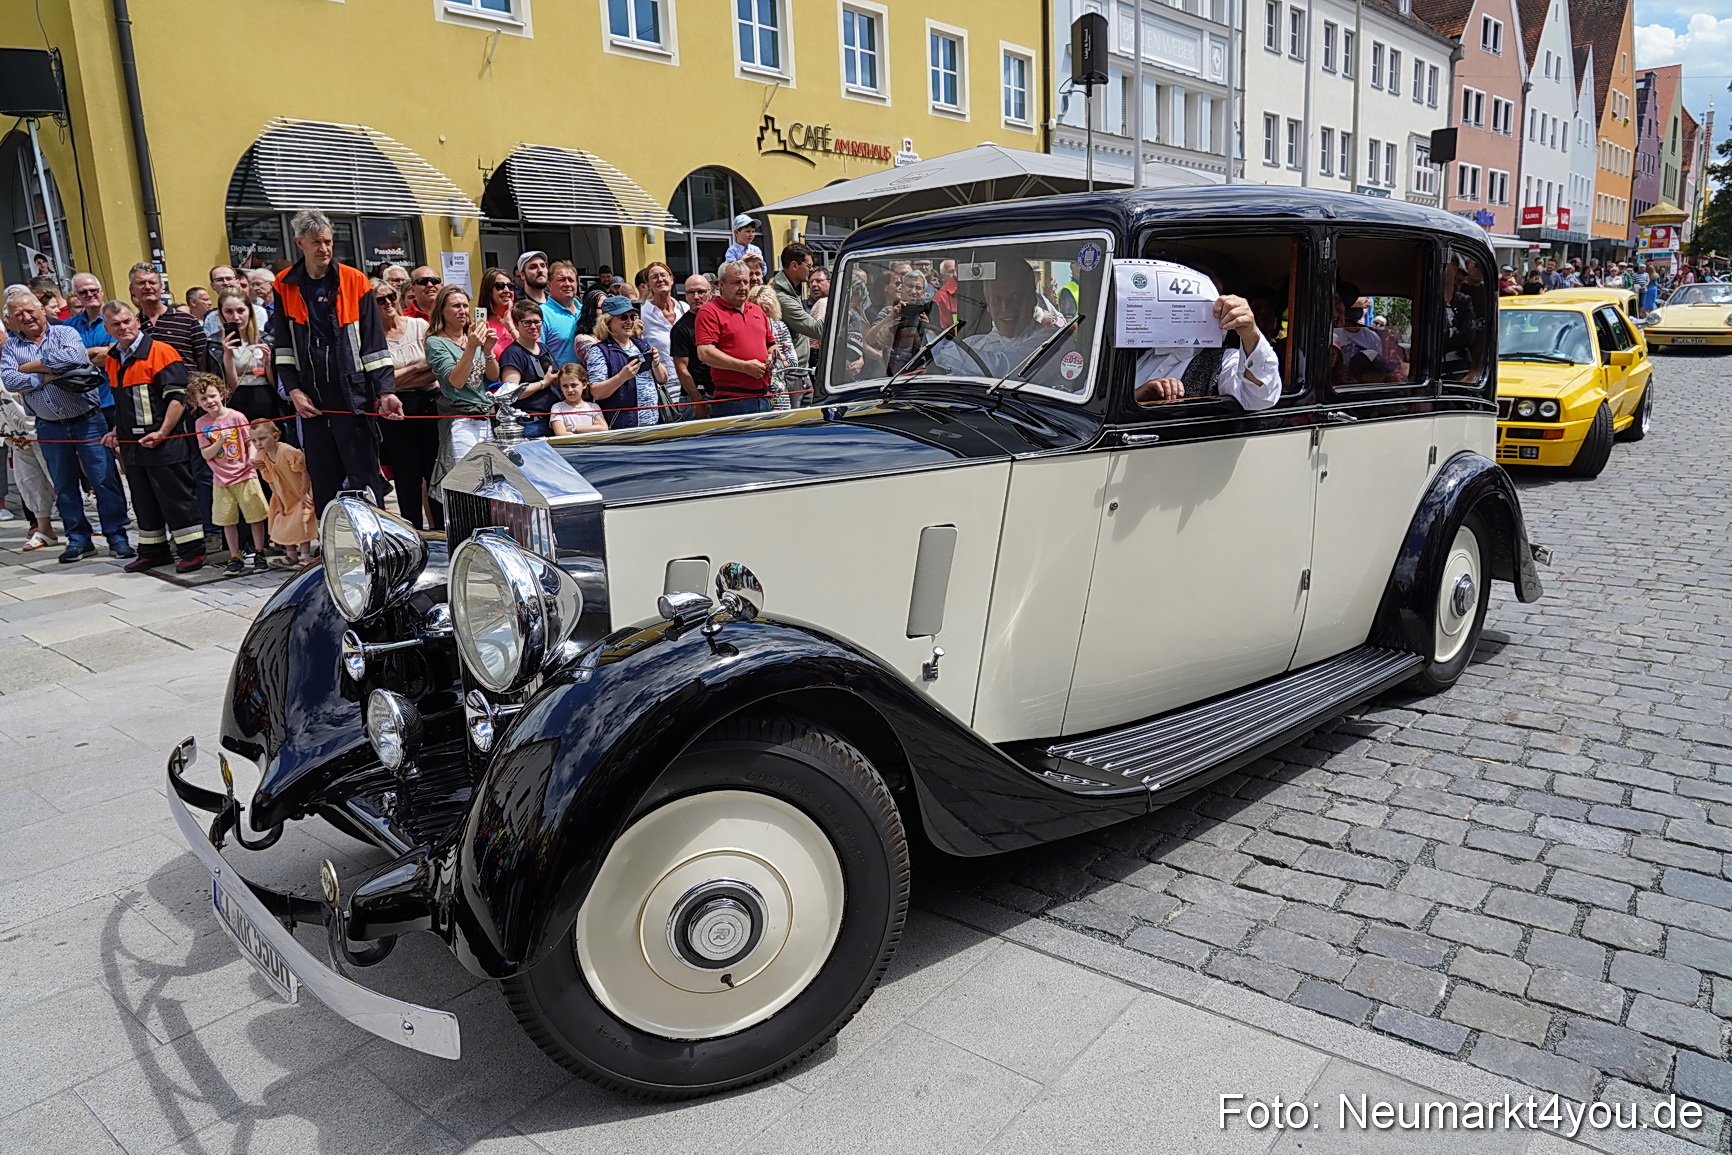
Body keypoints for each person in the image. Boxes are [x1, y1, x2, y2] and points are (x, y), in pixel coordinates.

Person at [270, 208, 402, 513]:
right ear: (299, 243)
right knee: (324, 483)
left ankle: (376, 548)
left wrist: (386, 391)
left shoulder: (355, 281)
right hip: (311, 399)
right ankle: (333, 550)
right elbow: (283, 344)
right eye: (316, 242)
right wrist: (292, 390)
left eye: (328, 241)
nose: (324, 248)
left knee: (365, 481)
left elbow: (374, 344)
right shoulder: (284, 284)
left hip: (354, 397)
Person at [1, 287, 133, 562]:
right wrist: (48, 376)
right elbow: (11, 381)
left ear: (40, 309)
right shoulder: (11, 347)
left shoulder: (65, 333)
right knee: (63, 485)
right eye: (18, 314)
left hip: (88, 420)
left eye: (30, 310)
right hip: (49, 425)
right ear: (10, 320)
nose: (26, 317)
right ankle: (78, 539)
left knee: (104, 479)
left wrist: (29, 367)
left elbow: (74, 358)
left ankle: (117, 535)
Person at [100, 300, 205, 572]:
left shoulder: (162, 352)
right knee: (143, 500)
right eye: (116, 324)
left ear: (136, 321)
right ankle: (153, 550)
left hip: (164, 442)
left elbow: (177, 398)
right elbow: (123, 402)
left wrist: (162, 432)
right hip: (132, 445)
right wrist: (115, 432)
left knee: (177, 497)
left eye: (126, 321)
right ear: (107, 328)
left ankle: (192, 551)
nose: (123, 327)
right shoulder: (112, 358)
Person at [1134, 290, 1279, 409]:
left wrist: (1250, 334)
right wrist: (1137, 396)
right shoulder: (1134, 349)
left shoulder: (1225, 359)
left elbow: (1259, 398)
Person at [373, 278, 440, 530]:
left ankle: (440, 530)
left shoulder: (419, 325)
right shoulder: (372, 337)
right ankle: (413, 531)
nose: (388, 302)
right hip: (394, 412)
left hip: (427, 404)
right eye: (380, 300)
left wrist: (394, 378)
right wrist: (414, 368)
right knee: (406, 476)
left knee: (433, 472)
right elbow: (378, 381)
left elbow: (434, 369)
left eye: (391, 296)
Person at [191, 374, 270, 574]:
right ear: (197, 403)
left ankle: (260, 552)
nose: (209, 402)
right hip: (221, 480)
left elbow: (249, 441)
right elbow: (206, 453)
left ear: (221, 394)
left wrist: (252, 461)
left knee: (255, 516)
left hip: (245, 474)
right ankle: (235, 556)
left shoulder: (236, 416)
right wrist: (219, 441)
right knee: (227, 519)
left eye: (212, 396)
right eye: (203, 399)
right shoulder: (201, 423)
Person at [425, 284, 499, 472]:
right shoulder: (436, 342)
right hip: (460, 419)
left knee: (490, 475)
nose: (462, 311)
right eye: (456, 306)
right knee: (467, 476)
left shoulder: (472, 337)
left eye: (465, 306)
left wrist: (488, 350)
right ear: (442, 310)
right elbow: (455, 381)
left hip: (484, 415)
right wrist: (471, 348)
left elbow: (492, 376)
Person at [696, 261, 775, 417]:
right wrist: (744, 367)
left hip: (764, 397)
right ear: (721, 285)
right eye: (737, 282)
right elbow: (705, 353)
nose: (743, 287)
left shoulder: (756, 310)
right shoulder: (710, 311)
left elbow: (771, 344)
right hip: (732, 400)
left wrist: (772, 356)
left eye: (746, 282)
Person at [585, 295, 666, 429]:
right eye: (623, 317)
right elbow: (597, 392)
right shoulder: (599, 351)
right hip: (622, 428)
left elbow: (663, 379)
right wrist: (622, 377)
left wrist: (656, 363)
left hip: (654, 425)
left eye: (632, 317)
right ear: (608, 322)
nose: (629, 321)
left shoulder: (642, 345)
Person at [249, 419, 316, 568]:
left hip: (299, 492)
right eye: (254, 440)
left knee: (301, 522)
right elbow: (270, 479)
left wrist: (304, 492)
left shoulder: (287, 451)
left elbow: (304, 472)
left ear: (275, 436)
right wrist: (278, 500)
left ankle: (305, 556)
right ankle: (291, 555)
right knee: (282, 522)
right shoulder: (262, 456)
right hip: (282, 494)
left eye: (262, 438)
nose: (258, 444)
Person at [0, 380, 58, 550]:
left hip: (41, 425)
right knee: (27, 480)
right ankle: (44, 529)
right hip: (12, 430)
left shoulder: (20, 356)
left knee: (57, 477)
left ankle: (77, 529)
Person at [497, 298, 558, 437]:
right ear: (517, 325)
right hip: (530, 423)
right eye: (527, 322)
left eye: (537, 321)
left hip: (553, 420)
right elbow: (510, 393)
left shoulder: (544, 347)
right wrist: (543, 383)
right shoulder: (512, 353)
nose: (533, 326)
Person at [868, 268, 940, 376]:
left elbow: (939, 350)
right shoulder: (889, 311)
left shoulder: (929, 312)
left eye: (918, 288)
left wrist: (927, 328)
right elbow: (870, 339)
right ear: (901, 288)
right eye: (910, 286)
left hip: (922, 374)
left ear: (923, 293)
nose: (913, 291)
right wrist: (893, 316)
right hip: (892, 374)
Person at [669, 273, 715, 419]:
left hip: (721, 393)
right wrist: (698, 401)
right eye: (690, 292)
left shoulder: (718, 319)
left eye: (701, 291)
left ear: (710, 292)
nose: (696, 297)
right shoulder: (681, 328)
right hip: (696, 397)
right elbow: (681, 369)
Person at [769, 244, 823, 369]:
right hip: (792, 373)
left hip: (799, 370)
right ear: (794, 265)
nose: (811, 270)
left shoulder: (792, 291)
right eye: (809, 266)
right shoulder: (783, 298)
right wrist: (836, 305)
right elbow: (817, 330)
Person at [749, 285, 799, 409]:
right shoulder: (747, 328)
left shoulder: (779, 327)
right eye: (757, 310)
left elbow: (793, 362)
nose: (761, 316)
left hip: (779, 393)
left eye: (765, 310)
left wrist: (774, 357)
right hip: (754, 393)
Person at [636, 262, 687, 375]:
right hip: (663, 386)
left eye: (663, 275)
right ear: (648, 285)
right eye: (654, 277)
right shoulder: (642, 314)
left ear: (672, 279)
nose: (660, 279)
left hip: (690, 382)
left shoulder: (684, 309)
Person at [540, 261, 583, 368]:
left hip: (589, 381)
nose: (567, 284)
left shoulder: (586, 311)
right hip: (560, 382)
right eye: (561, 280)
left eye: (571, 280)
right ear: (549, 284)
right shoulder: (542, 313)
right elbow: (538, 353)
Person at [549, 363, 607, 434]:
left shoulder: (593, 407)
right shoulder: (557, 408)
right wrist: (593, 428)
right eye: (565, 386)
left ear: (584, 384)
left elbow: (604, 428)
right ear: (560, 387)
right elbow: (561, 433)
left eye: (574, 385)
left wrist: (573, 428)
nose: (570, 390)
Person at [477, 266, 517, 357]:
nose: (507, 290)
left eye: (511, 286)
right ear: (489, 291)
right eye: (500, 286)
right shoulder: (480, 324)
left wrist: (510, 326)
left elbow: (533, 350)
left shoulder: (522, 319)